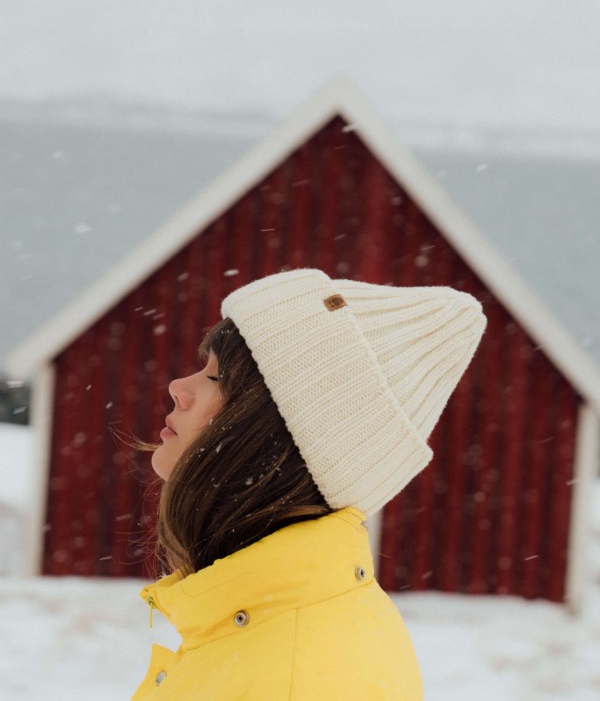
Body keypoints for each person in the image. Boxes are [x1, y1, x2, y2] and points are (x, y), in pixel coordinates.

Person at [131, 268, 486, 700]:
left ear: (275, 438)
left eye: (217, 377)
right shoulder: (276, 622)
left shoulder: (295, 678)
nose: (178, 388)